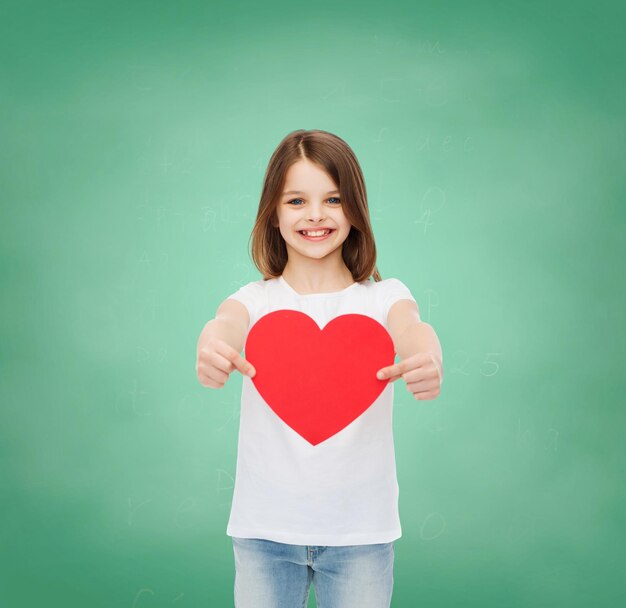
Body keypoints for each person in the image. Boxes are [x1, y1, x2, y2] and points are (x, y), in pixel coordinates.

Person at [195, 129, 443, 608]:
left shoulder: (383, 297)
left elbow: (413, 328)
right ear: (273, 212)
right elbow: (222, 325)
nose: (315, 215)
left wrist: (427, 356)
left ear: (355, 208)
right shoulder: (255, 301)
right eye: (296, 200)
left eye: (333, 198)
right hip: (264, 532)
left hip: (361, 535)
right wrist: (212, 347)